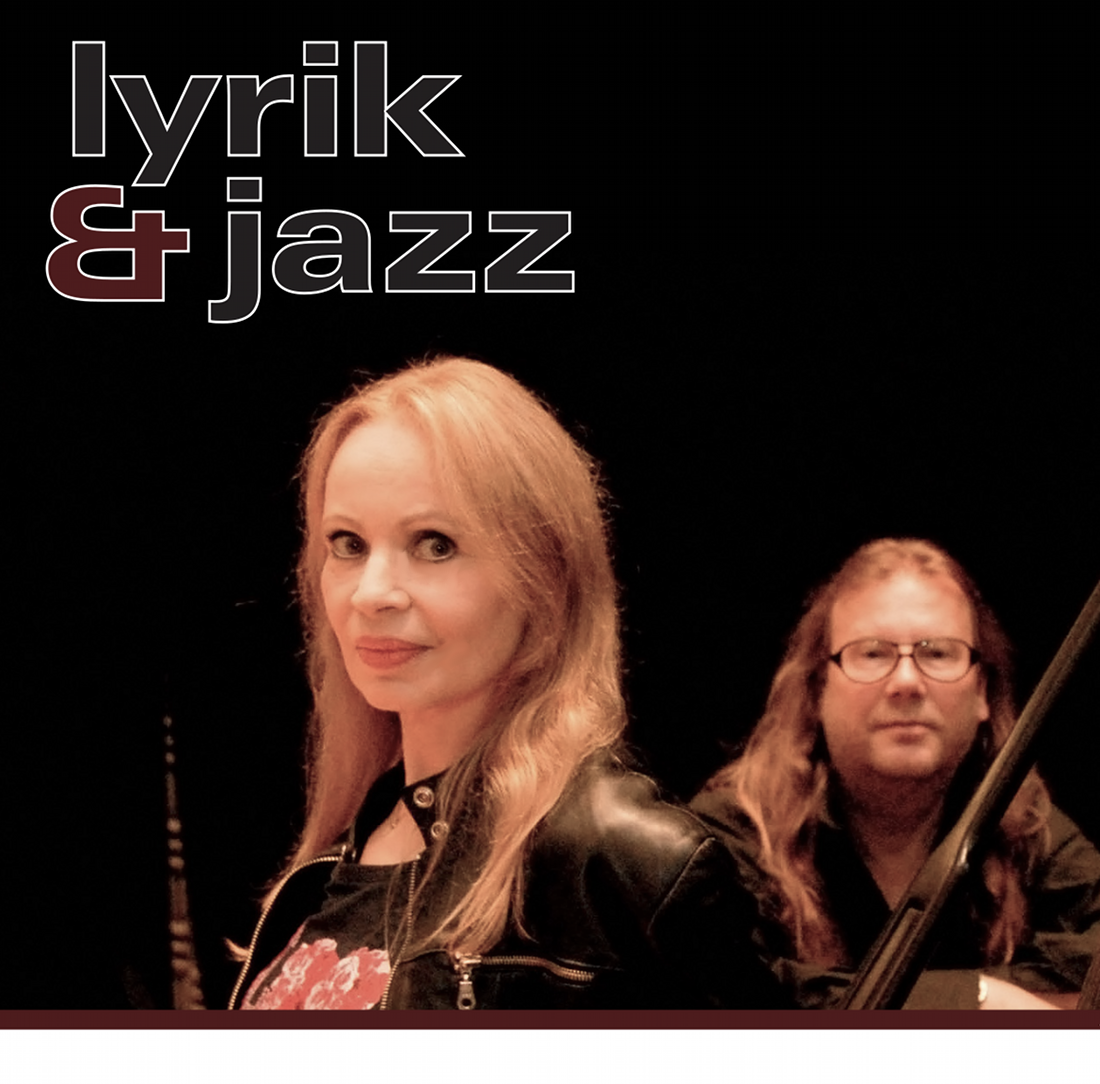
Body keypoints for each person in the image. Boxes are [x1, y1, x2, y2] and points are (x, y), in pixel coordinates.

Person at [230, 356, 785, 1010]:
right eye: (348, 544)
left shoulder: (625, 865)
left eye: (435, 544)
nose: (371, 593)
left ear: (543, 575)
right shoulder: (332, 862)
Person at [692, 538, 1100, 1010]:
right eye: (872, 653)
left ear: (982, 691)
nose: (906, 682)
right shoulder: (728, 838)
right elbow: (740, 995)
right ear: (818, 689)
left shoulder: (1029, 830)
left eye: (938, 653)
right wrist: (977, 999)